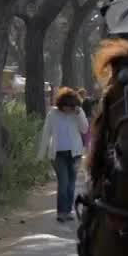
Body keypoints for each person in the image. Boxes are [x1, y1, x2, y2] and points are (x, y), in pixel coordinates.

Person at [37, 87, 89, 223]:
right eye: (66, 106)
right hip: (58, 154)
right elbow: (46, 133)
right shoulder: (53, 114)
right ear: (61, 104)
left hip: (75, 154)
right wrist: (41, 155)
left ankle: (68, 211)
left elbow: (85, 129)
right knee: (63, 183)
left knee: (71, 184)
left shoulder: (77, 113)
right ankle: (61, 212)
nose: (68, 109)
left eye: (71, 107)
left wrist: (79, 114)